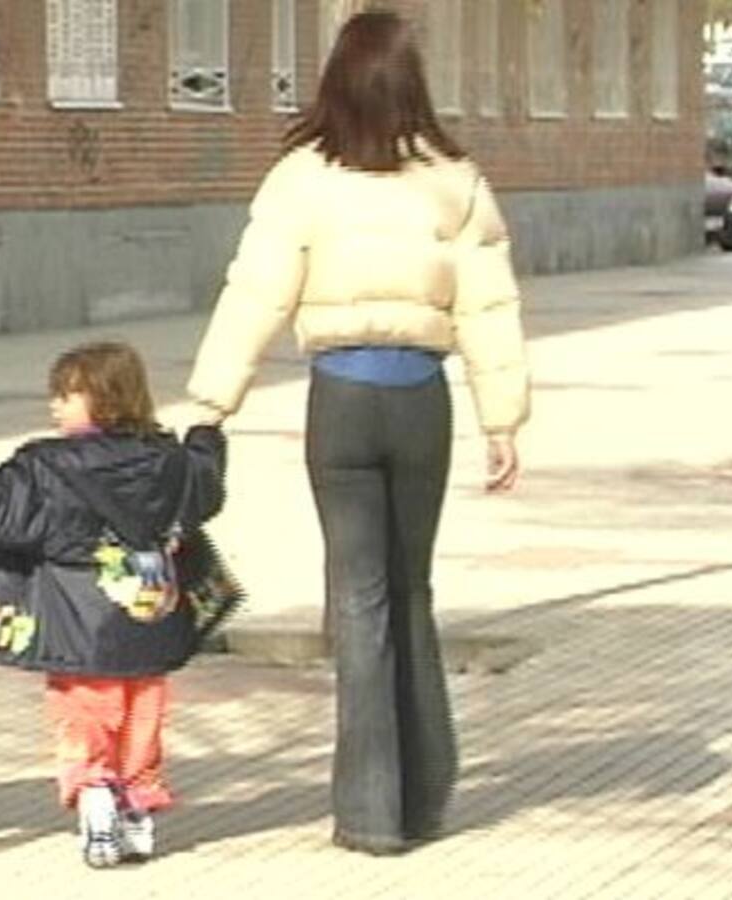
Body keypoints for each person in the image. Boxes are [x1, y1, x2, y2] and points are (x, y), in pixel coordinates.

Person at [182, 11, 531, 855]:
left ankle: (368, 811)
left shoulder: (300, 179)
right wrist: (502, 418)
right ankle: (425, 792)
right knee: (413, 593)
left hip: (340, 401)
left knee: (358, 601)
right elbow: (488, 306)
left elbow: (255, 292)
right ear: (414, 84)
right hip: (421, 402)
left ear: (335, 81)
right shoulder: (455, 181)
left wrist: (211, 403)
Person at [0, 341, 230, 868]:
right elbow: (206, 483)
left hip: (79, 628)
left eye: (66, 395)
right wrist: (206, 433)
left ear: (105, 398)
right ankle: (138, 805)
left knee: (84, 715)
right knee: (143, 715)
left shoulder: (49, 468)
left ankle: (96, 796)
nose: (54, 405)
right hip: (153, 622)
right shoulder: (170, 462)